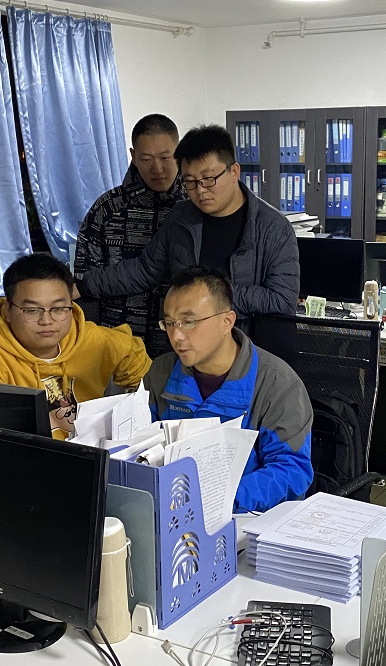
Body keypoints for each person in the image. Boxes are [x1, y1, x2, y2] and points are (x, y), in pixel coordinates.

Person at [73, 124, 298, 330]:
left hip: (245, 348)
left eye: (208, 178)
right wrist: (83, 286)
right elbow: (145, 269)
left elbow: (282, 300)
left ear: (234, 171)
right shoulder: (181, 217)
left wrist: (208, 296)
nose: (200, 190)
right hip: (187, 345)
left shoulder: (273, 228)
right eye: (189, 182)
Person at [146, 267, 313, 513]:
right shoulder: (161, 371)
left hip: (247, 518)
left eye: (188, 322)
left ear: (227, 322)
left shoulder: (277, 384)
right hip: (172, 512)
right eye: (169, 323)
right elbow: (141, 442)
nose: (177, 336)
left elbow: (291, 470)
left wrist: (222, 498)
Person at [0, 253, 151, 437]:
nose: (46, 320)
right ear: (8, 310)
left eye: (58, 309)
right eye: (32, 310)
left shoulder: (94, 340)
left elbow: (144, 373)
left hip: (94, 451)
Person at [74, 114, 184, 356]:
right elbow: (84, 286)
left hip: (181, 345)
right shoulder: (107, 209)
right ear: (133, 156)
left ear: (179, 152)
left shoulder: (195, 205)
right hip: (117, 345)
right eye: (146, 159)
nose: (158, 169)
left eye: (165, 157)